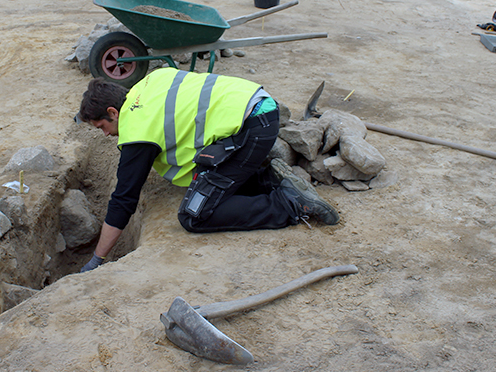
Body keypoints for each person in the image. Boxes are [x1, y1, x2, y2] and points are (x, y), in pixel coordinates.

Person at [76, 68, 339, 273]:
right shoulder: (148, 84)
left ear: (113, 111)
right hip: (259, 105)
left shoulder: (137, 128)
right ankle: (268, 179)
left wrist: (97, 259)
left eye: (102, 126)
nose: (106, 134)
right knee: (212, 183)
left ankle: (291, 204)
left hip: (252, 127)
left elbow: (124, 198)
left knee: (196, 214)